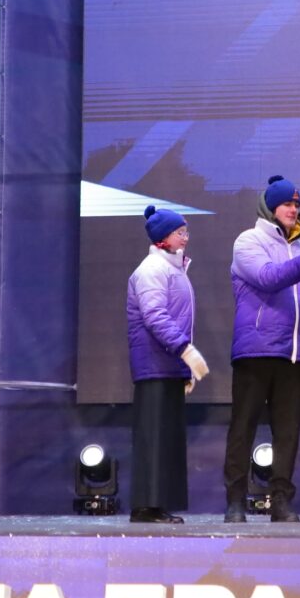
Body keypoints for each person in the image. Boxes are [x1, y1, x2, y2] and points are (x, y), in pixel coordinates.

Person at [224, 175, 300, 523]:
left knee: (288, 432)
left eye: (296, 204)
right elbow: (268, 277)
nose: (293, 210)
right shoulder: (248, 241)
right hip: (256, 349)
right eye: (286, 204)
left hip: (294, 353)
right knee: (243, 427)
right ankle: (235, 501)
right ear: (270, 208)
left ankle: (281, 500)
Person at [126, 205, 208, 523]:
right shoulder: (152, 269)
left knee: (166, 437)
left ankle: (157, 504)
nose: (185, 237)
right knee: (154, 436)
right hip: (154, 364)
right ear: (163, 237)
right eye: (179, 232)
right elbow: (155, 316)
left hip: (169, 364)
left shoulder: (175, 269)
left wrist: (183, 368)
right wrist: (185, 351)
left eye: (186, 231)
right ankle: (146, 507)